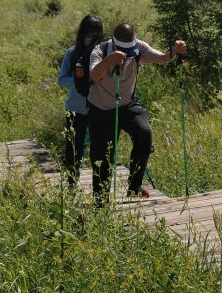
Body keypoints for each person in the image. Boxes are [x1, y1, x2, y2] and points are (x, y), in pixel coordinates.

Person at [87, 23, 187, 203]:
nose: (127, 54)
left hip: (126, 103)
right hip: (101, 108)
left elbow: (164, 58)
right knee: (101, 156)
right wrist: (109, 60)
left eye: (130, 49)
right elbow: (94, 75)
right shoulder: (100, 50)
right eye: (123, 51)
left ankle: (134, 186)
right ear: (114, 43)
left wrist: (175, 51)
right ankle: (100, 199)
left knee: (144, 136)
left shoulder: (139, 47)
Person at [57, 13, 103, 187]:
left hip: (98, 108)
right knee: (73, 151)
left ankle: (99, 187)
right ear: (82, 32)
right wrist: (79, 81)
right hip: (75, 109)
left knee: (99, 151)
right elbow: (61, 80)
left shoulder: (104, 53)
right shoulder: (71, 52)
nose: (90, 36)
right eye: (87, 32)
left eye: (94, 33)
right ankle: (71, 186)